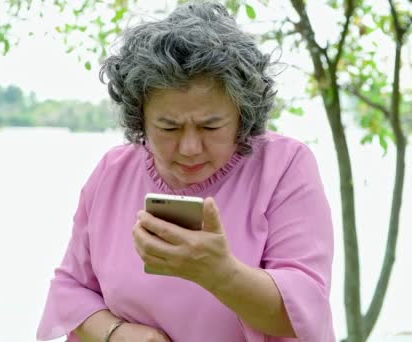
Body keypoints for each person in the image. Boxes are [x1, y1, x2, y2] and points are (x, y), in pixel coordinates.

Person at [36, 1, 335, 341]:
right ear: (141, 120)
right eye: (168, 127)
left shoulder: (284, 166)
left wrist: (219, 273)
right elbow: (70, 287)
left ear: (242, 116)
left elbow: (305, 310)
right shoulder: (112, 172)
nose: (190, 148)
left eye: (210, 127)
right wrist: (114, 333)